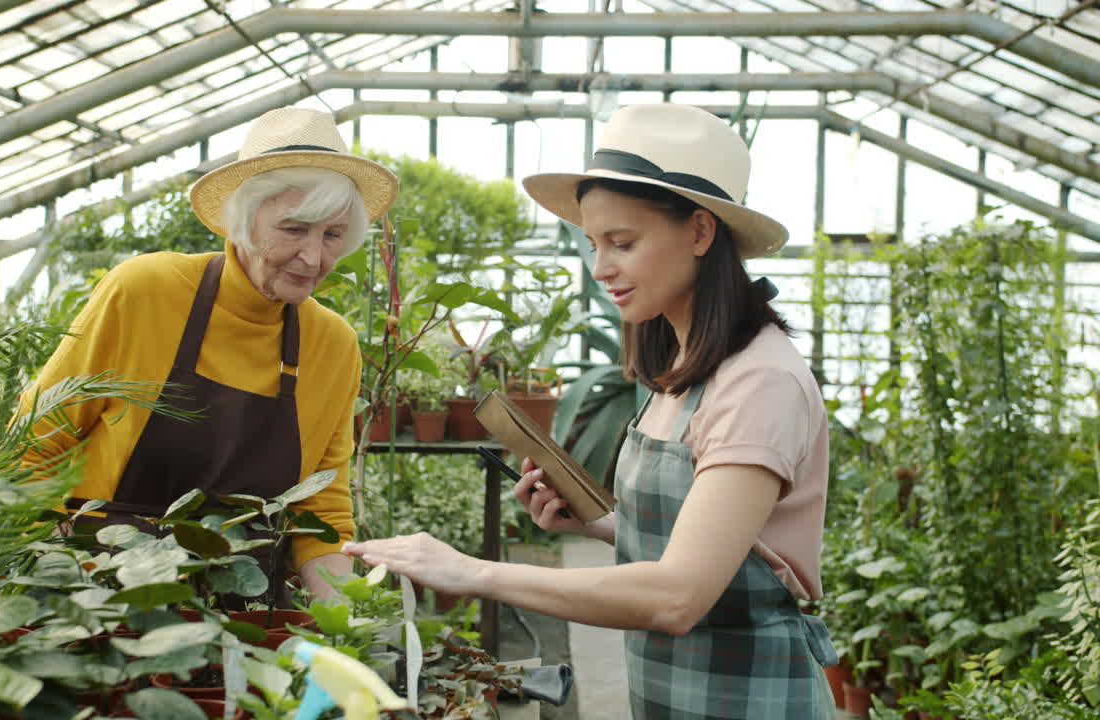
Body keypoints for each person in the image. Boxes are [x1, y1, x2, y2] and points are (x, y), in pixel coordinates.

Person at [343, 103, 837, 718]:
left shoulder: (758, 380)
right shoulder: (683, 366)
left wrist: (473, 572)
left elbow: (678, 595)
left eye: (622, 243)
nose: (601, 268)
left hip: (749, 697)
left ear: (701, 232)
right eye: (594, 243)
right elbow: (713, 540)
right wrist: (594, 521)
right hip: (668, 694)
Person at [20, 107, 398, 602]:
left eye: (331, 236)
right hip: (100, 601)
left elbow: (320, 509)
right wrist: (45, 574)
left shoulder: (331, 344)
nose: (314, 258)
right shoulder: (146, 293)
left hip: (244, 609)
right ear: (243, 219)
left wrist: (346, 624)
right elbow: (34, 445)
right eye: (293, 229)